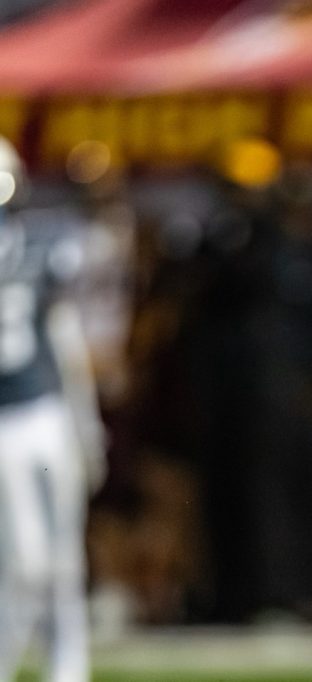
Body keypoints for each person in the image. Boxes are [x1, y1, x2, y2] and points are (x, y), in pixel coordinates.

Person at [0, 137, 106, 681]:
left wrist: (86, 428)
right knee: (20, 561)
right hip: (12, 420)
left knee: (58, 556)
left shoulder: (44, 246)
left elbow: (64, 344)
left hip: (41, 412)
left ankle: (68, 669)